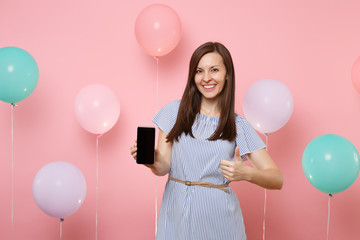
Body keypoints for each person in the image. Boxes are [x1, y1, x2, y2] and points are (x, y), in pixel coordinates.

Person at [130, 42, 283, 240]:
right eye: (199, 71)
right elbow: (163, 168)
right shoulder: (173, 112)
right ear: (193, 77)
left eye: (214, 70)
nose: (206, 78)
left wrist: (246, 173)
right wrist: (152, 160)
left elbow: (276, 179)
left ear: (227, 74)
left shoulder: (238, 125)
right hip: (177, 214)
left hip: (220, 220)